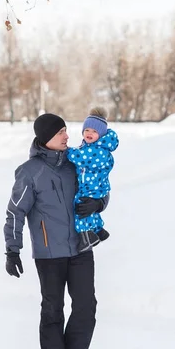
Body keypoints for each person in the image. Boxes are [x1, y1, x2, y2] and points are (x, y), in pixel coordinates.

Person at [3, 113, 109, 349]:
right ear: (46, 138)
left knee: (86, 305)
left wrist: (98, 204)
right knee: (53, 309)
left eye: (65, 130)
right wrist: (12, 249)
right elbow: (15, 212)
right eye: (60, 132)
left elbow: (100, 189)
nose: (67, 136)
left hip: (81, 248)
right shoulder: (30, 172)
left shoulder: (76, 164)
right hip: (49, 253)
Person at [67, 107, 119, 252]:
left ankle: (86, 237)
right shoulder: (93, 147)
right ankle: (99, 230)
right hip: (96, 187)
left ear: (101, 134)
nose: (90, 133)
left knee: (81, 212)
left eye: (95, 131)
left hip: (91, 188)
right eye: (87, 130)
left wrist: (65, 150)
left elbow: (77, 156)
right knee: (91, 212)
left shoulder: (96, 151)